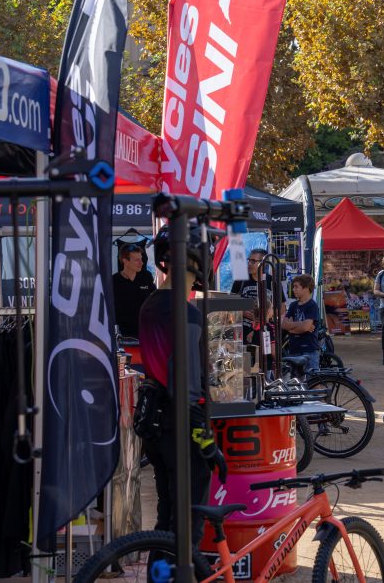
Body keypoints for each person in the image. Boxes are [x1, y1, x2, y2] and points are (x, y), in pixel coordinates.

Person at [137, 227, 227, 552]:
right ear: (195, 264)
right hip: (181, 428)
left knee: (166, 519)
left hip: (154, 424)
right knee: (188, 525)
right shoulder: (186, 312)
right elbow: (187, 386)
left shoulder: (150, 304)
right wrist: (206, 444)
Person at [231, 247, 275, 344]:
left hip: (265, 333)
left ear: (264, 264)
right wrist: (243, 312)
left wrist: (267, 315)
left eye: (253, 261)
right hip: (242, 333)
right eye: (249, 260)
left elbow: (281, 309)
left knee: (264, 357)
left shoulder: (272, 281)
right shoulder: (240, 281)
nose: (249, 264)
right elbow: (231, 305)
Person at [112, 243, 156, 338]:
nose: (141, 263)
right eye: (137, 260)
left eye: (141, 259)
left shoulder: (146, 277)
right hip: (122, 336)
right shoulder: (113, 281)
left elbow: (155, 300)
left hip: (145, 333)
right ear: (125, 261)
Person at [282, 274, 321, 376]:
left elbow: (305, 327)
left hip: (309, 350)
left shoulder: (312, 305)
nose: (293, 289)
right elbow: (284, 325)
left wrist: (293, 326)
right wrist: (300, 326)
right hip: (294, 349)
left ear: (306, 288)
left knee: (313, 381)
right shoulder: (293, 305)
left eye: (296, 287)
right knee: (296, 382)